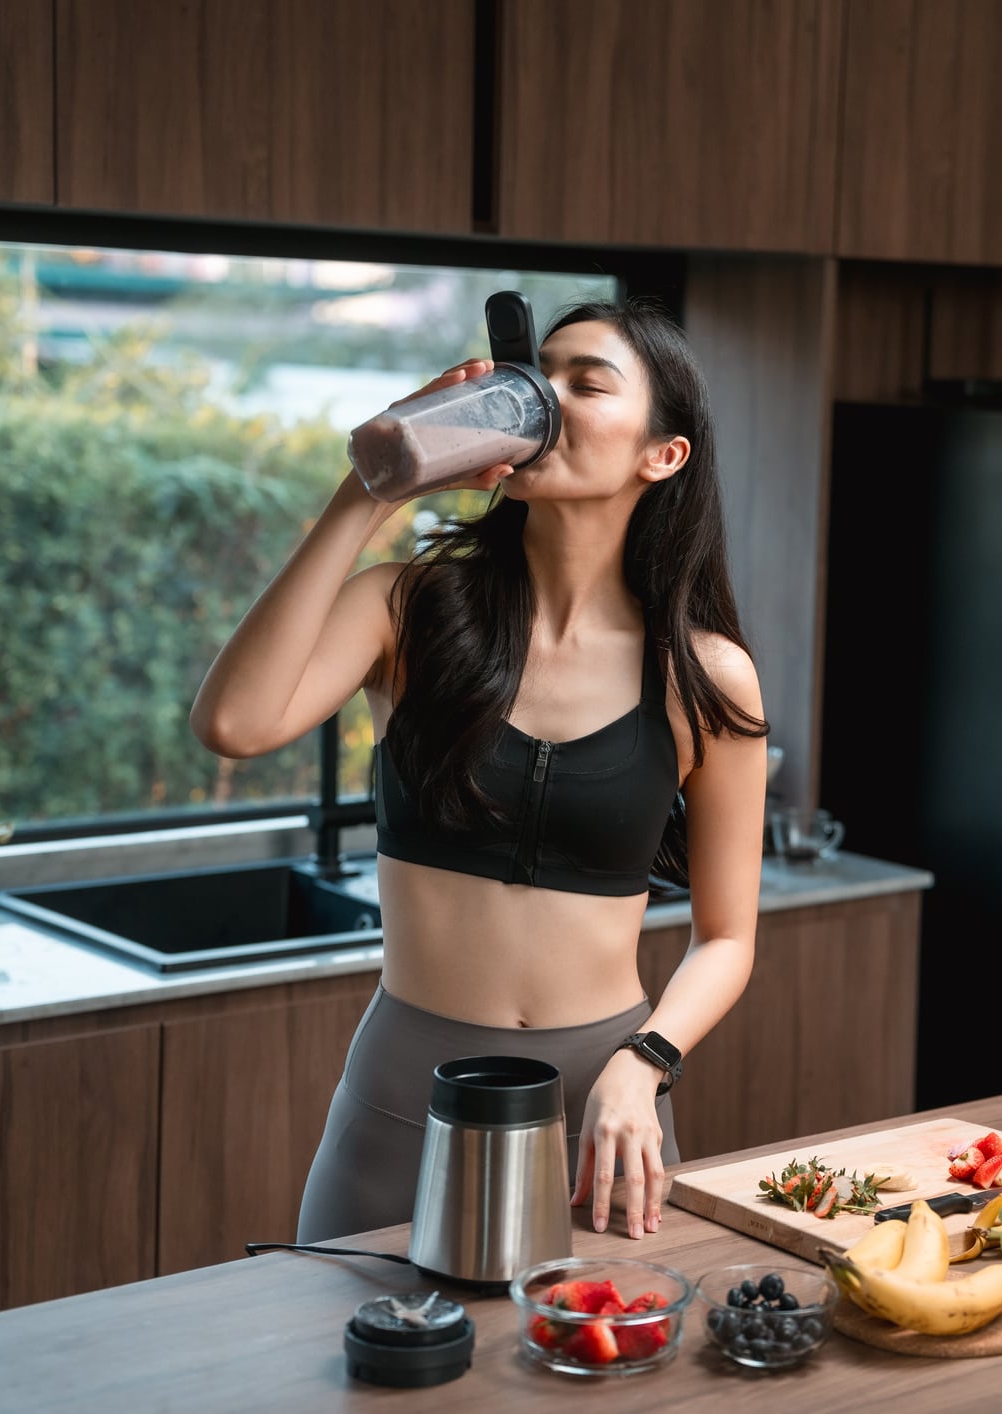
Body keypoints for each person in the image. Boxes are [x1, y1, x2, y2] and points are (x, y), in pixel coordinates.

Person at [190, 298, 769, 1243]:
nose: (549, 397)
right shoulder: (409, 607)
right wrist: (369, 485)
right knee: (360, 1380)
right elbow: (233, 722)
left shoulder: (701, 673)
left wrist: (647, 1059)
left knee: (590, 1383)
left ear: (660, 455)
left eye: (588, 383)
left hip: (603, 1106)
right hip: (400, 1097)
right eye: (541, 377)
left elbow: (727, 938)